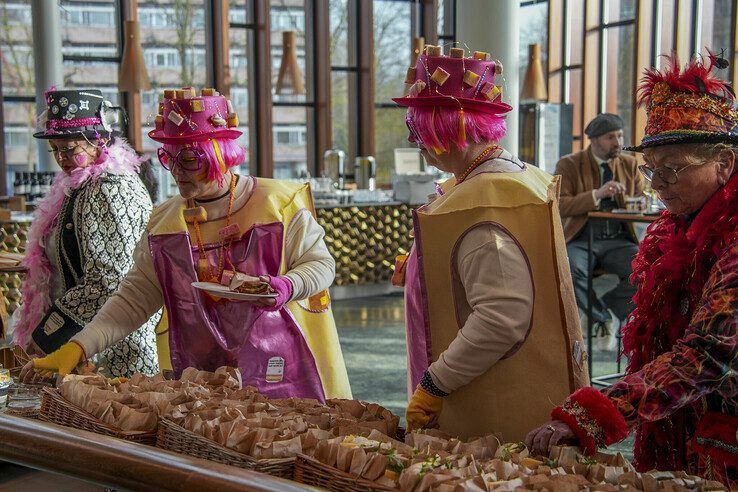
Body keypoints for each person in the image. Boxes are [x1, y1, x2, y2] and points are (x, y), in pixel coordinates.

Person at [23, 87, 352, 402]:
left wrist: (285, 285)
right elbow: (133, 301)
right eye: (170, 158)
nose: (177, 172)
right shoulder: (165, 221)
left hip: (280, 369)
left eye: (190, 159)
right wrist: (76, 347)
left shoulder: (277, 204)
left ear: (220, 155)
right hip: (203, 379)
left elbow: (321, 265)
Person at [526, 52, 738, 487]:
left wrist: (595, 413)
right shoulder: (678, 227)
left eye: (673, 169)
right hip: (681, 429)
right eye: (652, 170)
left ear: (725, 165)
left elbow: (704, 354)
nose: (658, 184)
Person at [394, 45, 588, 441]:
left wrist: (434, 383)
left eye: (420, 131)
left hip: (491, 410)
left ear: (450, 128)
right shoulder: (514, 176)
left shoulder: (483, 200)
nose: (418, 144)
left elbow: (501, 318)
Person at [14, 88, 159, 377]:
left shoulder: (110, 187)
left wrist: (48, 333)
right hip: (86, 346)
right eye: (55, 149)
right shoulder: (80, 184)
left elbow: (109, 279)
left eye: (69, 149)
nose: (61, 158)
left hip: (113, 352)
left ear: (100, 140)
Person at [554, 113, 645, 350]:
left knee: (645, 268)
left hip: (619, 239)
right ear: (593, 140)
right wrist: (598, 194)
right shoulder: (569, 164)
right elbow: (560, 204)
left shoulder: (629, 164)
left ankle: (605, 309)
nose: (617, 142)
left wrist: (637, 202)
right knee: (570, 269)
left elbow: (641, 199)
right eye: (610, 137)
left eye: (620, 135)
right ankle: (600, 317)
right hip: (582, 237)